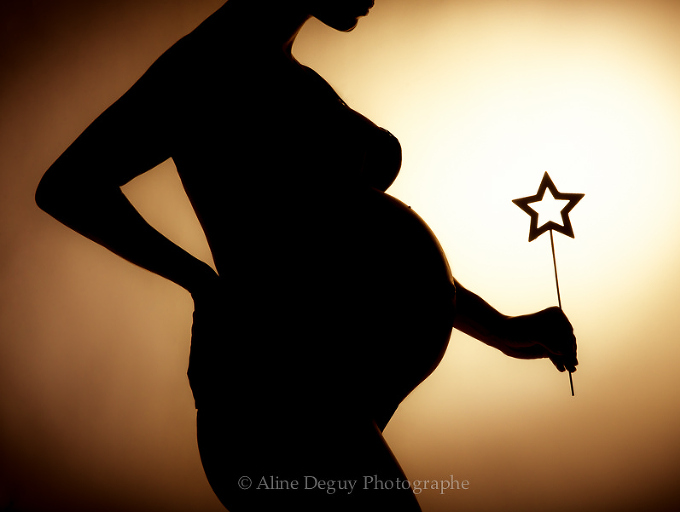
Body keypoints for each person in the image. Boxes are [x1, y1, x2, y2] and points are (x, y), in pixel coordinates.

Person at [35, 1, 578, 510]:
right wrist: (204, 283)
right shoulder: (208, 65)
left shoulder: (295, 74)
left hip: (333, 390)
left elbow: (351, 261)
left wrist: (504, 330)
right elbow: (69, 186)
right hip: (279, 386)